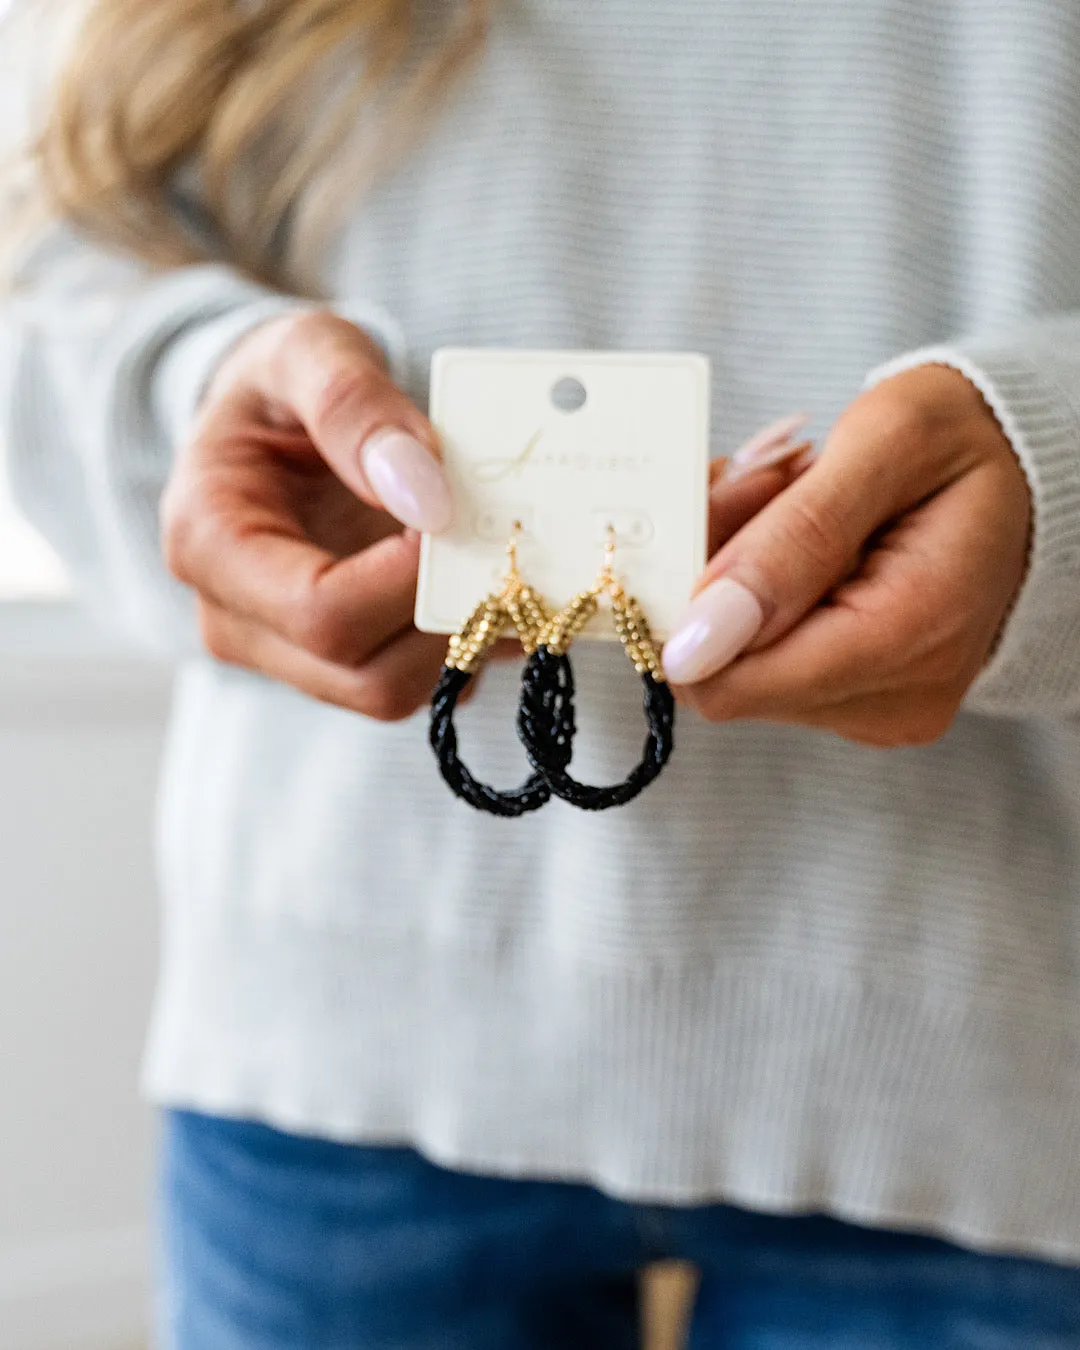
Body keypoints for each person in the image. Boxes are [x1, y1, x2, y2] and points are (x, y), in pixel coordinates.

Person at [4, 0, 1080, 1345]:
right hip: (343, 1047)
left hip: (996, 1079)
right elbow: (49, 255)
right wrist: (195, 390)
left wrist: (1058, 478)